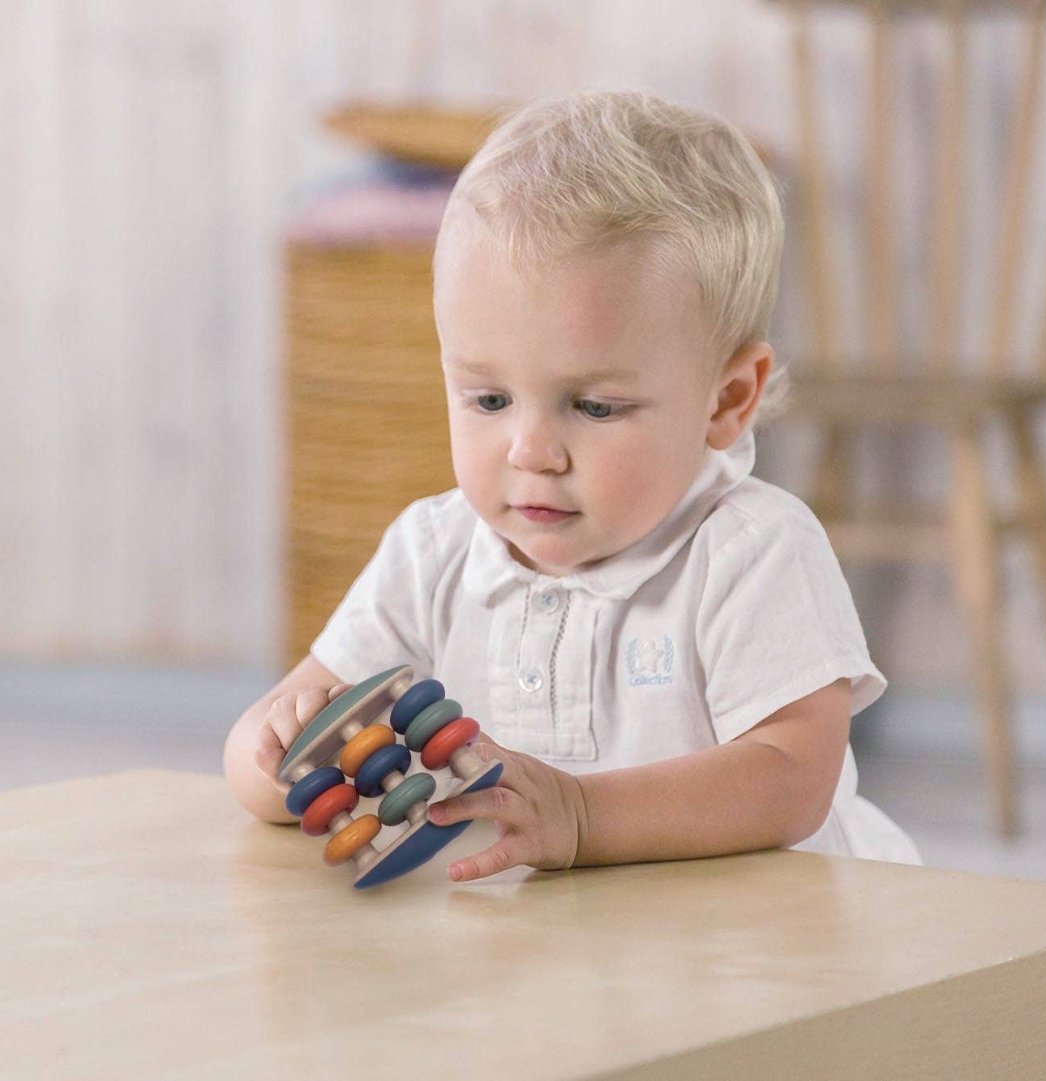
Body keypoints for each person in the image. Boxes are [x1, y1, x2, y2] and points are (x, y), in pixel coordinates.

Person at [223, 89, 920, 882]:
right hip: (552, 961)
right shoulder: (433, 551)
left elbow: (792, 777)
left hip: (761, 950)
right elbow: (261, 763)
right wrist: (275, 750)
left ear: (727, 400)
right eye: (488, 398)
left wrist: (584, 815)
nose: (531, 451)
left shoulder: (749, 549)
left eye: (593, 406)